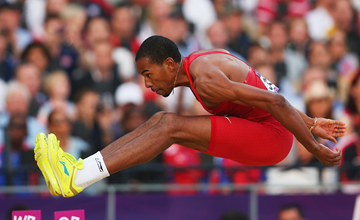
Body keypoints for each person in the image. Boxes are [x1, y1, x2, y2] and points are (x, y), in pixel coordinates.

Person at [34, 35, 346, 198]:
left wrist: (315, 145)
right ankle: (78, 169)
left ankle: (76, 178)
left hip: (273, 139)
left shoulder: (206, 77)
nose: (147, 83)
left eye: (148, 74)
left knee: (169, 125)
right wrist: (311, 122)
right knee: (160, 121)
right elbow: (269, 93)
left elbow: (275, 101)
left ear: (170, 64)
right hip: (266, 125)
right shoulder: (196, 65)